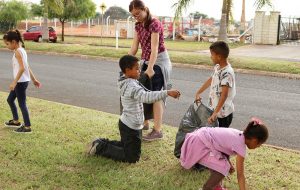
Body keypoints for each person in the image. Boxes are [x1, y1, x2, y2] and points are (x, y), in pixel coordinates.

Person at [86, 55, 180, 163]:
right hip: (130, 127)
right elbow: (146, 96)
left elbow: (144, 91)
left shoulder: (127, 79)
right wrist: (167, 93)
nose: (140, 70)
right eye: (137, 68)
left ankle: (100, 142)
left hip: (129, 124)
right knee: (132, 158)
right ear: (127, 70)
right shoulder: (131, 86)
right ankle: (99, 147)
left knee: (127, 147)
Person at [180, 118, 269, 190]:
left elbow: (222, 148)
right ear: (255, 140)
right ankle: (207, 188)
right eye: (259, 144)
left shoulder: (238, 135)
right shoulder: (240, 145)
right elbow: (240, 175)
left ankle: (216, 187)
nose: (258, 147)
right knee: (223, 167)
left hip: (199, 139)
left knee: (223, 164)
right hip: (199, 144)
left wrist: (229, 163)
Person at [128, 0, 172, 141]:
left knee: (156, 94)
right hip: (146, 60)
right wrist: (126, 63)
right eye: (134, 15)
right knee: (142, 91)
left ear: (144, 9)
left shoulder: (154, 23)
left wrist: (151, 68)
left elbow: (154, 49)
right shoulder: (138, 26)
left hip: (159, 61)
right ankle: (145, 123)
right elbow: (134, 47)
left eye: (138, 13)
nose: (137, 17)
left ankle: (158, 130)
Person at [3, 30, 41, 133]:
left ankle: (27, 127)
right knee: (10, 99)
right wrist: (33, 79)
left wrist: (14, 82)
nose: (7, 46)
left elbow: (22, 68)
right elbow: (27, 66)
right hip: (22, 81)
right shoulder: (22, 50)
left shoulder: (17, 52)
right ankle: (16, 121)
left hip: (20, 82)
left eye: (7, 44)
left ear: (14, 42)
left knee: (22, 104)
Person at [195, 41, 235, 128]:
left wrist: (215, 113)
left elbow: (224, 95)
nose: (211, 57)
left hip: (222, 115)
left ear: (219, 56)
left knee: (220, 139)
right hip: (215, 111)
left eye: (212, 54)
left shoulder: (227, 73)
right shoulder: (217, 67)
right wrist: (198, 92)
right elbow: (211, 79)